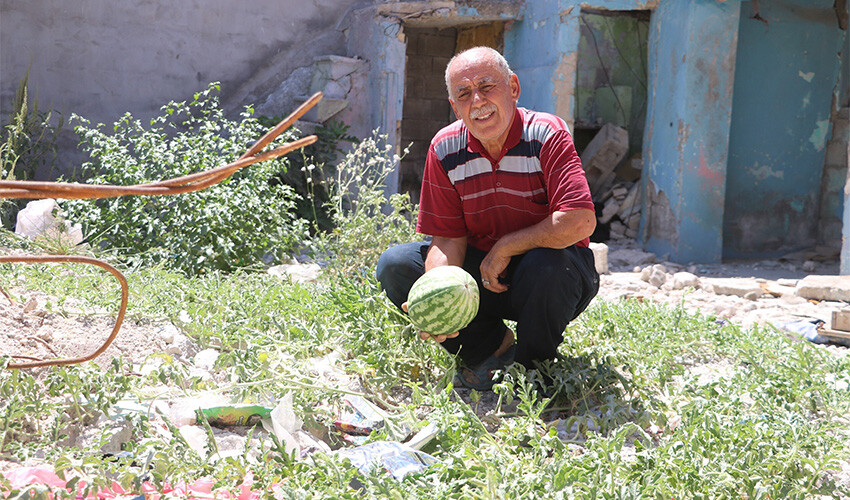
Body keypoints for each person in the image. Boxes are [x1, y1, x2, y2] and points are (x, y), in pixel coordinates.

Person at [376, 46, 599, 390]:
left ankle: (531, 374)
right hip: (481, 279)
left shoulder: (546, 135)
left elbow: (579, 221)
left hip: (551, 278)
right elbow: (448, 239)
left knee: (547, 265)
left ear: (513, 87)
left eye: (487, 86)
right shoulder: (445, 148)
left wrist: (507, 246)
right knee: (396, 265)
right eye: (464, 94)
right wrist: (439, 295)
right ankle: (491, 350)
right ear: (454, 106)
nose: (477, 101)